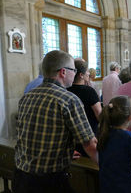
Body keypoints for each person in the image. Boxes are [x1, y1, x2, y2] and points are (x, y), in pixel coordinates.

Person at [13, 50, 97, 193]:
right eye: (73, 70)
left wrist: (62, 151)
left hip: (21, 177)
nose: (75, 73)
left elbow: (31, 136)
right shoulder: (68, 99)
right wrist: (110, 167)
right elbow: (89, 144)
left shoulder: (27, 96)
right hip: (48, 181)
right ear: (63, 72)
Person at [67, 60, 102, 157]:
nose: (89, 73)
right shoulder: (89, 91)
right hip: (88, 135)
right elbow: (99, 114)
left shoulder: (66, 90)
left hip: (71, 135)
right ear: (81, 75)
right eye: (87, 71)